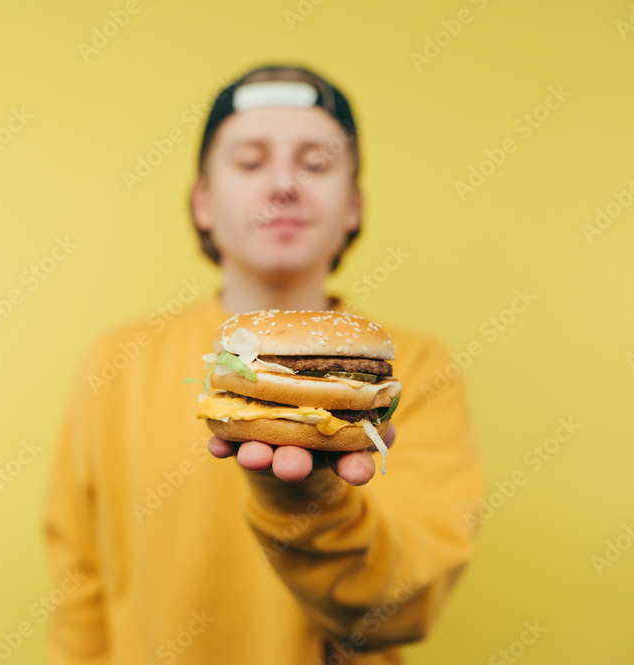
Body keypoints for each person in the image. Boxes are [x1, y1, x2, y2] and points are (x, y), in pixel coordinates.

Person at [44, 64, 485, 664]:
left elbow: (402, 605)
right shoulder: (116, 362)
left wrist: (310, 503)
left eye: (316, 164)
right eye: (250, 162)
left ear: (353, 206)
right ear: (203, 202)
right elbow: (79, 577)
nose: (284, 184)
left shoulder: (414, 369)